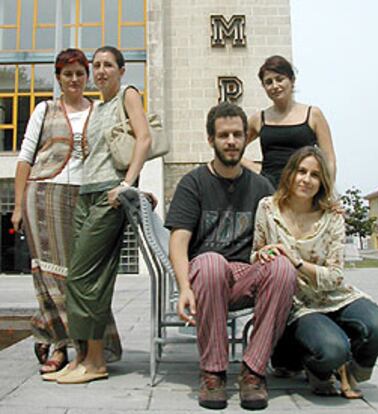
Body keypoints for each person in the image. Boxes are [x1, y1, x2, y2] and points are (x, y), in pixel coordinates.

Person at [165, 102, 297, 410]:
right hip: (207, 277)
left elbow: (281, 231)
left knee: (282, 268)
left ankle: (253, 371)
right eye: (224, 135)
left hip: (246, 275)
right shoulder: (193, 183)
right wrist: (184, 286)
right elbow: (178, 241)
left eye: (238, 134)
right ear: (210, 139)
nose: (232, 141)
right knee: (211, 262)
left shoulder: (261, 186)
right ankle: (213, 373)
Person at [252, 146, 378, 398]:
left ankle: (351, 371)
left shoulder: (332, 215)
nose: (306, 179)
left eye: (315, 175)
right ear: (290, 173)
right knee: (332, 349)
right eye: (301, 171)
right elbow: (255, 253)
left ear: (322, 181)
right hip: (299, 305)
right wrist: (262, 256)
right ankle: (321, 366)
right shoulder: (268, 208)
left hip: (335, 295)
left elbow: (335, 276)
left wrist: (296, 262)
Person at [43, 46, 152, 384]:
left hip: (109, 195)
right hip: (86, 194)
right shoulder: (98, 107)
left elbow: (144, 139)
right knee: (82, 278)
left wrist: (127, 184)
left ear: (121, 70)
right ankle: (82, 358)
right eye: (98, 65)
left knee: (81, 277)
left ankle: (96, 362)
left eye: (108, 65)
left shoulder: (127, 95)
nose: (102, 71)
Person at [11, 48, 122, 375]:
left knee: (81, 276)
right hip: (44, 195)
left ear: (86, 76)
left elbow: (115, 154)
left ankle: (68, 340)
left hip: (86, 197)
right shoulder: (44, 110)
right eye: (67, 74)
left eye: (79, 73)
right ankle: (62, 348)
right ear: (58, 78)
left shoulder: (99, 110)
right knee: (51, 275)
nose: (74, 79)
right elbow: (25, 158)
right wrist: (17, 205)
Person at [244, 55, 336, 189]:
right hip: (270, 191)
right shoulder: (258, 119)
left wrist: (327, 193)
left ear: (292, 80)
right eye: (269, 82)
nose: (275, 86)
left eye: (280, 79)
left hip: (303, 190)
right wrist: (255, 168)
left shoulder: (313, 115)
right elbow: (234, 147)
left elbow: (329, 160)